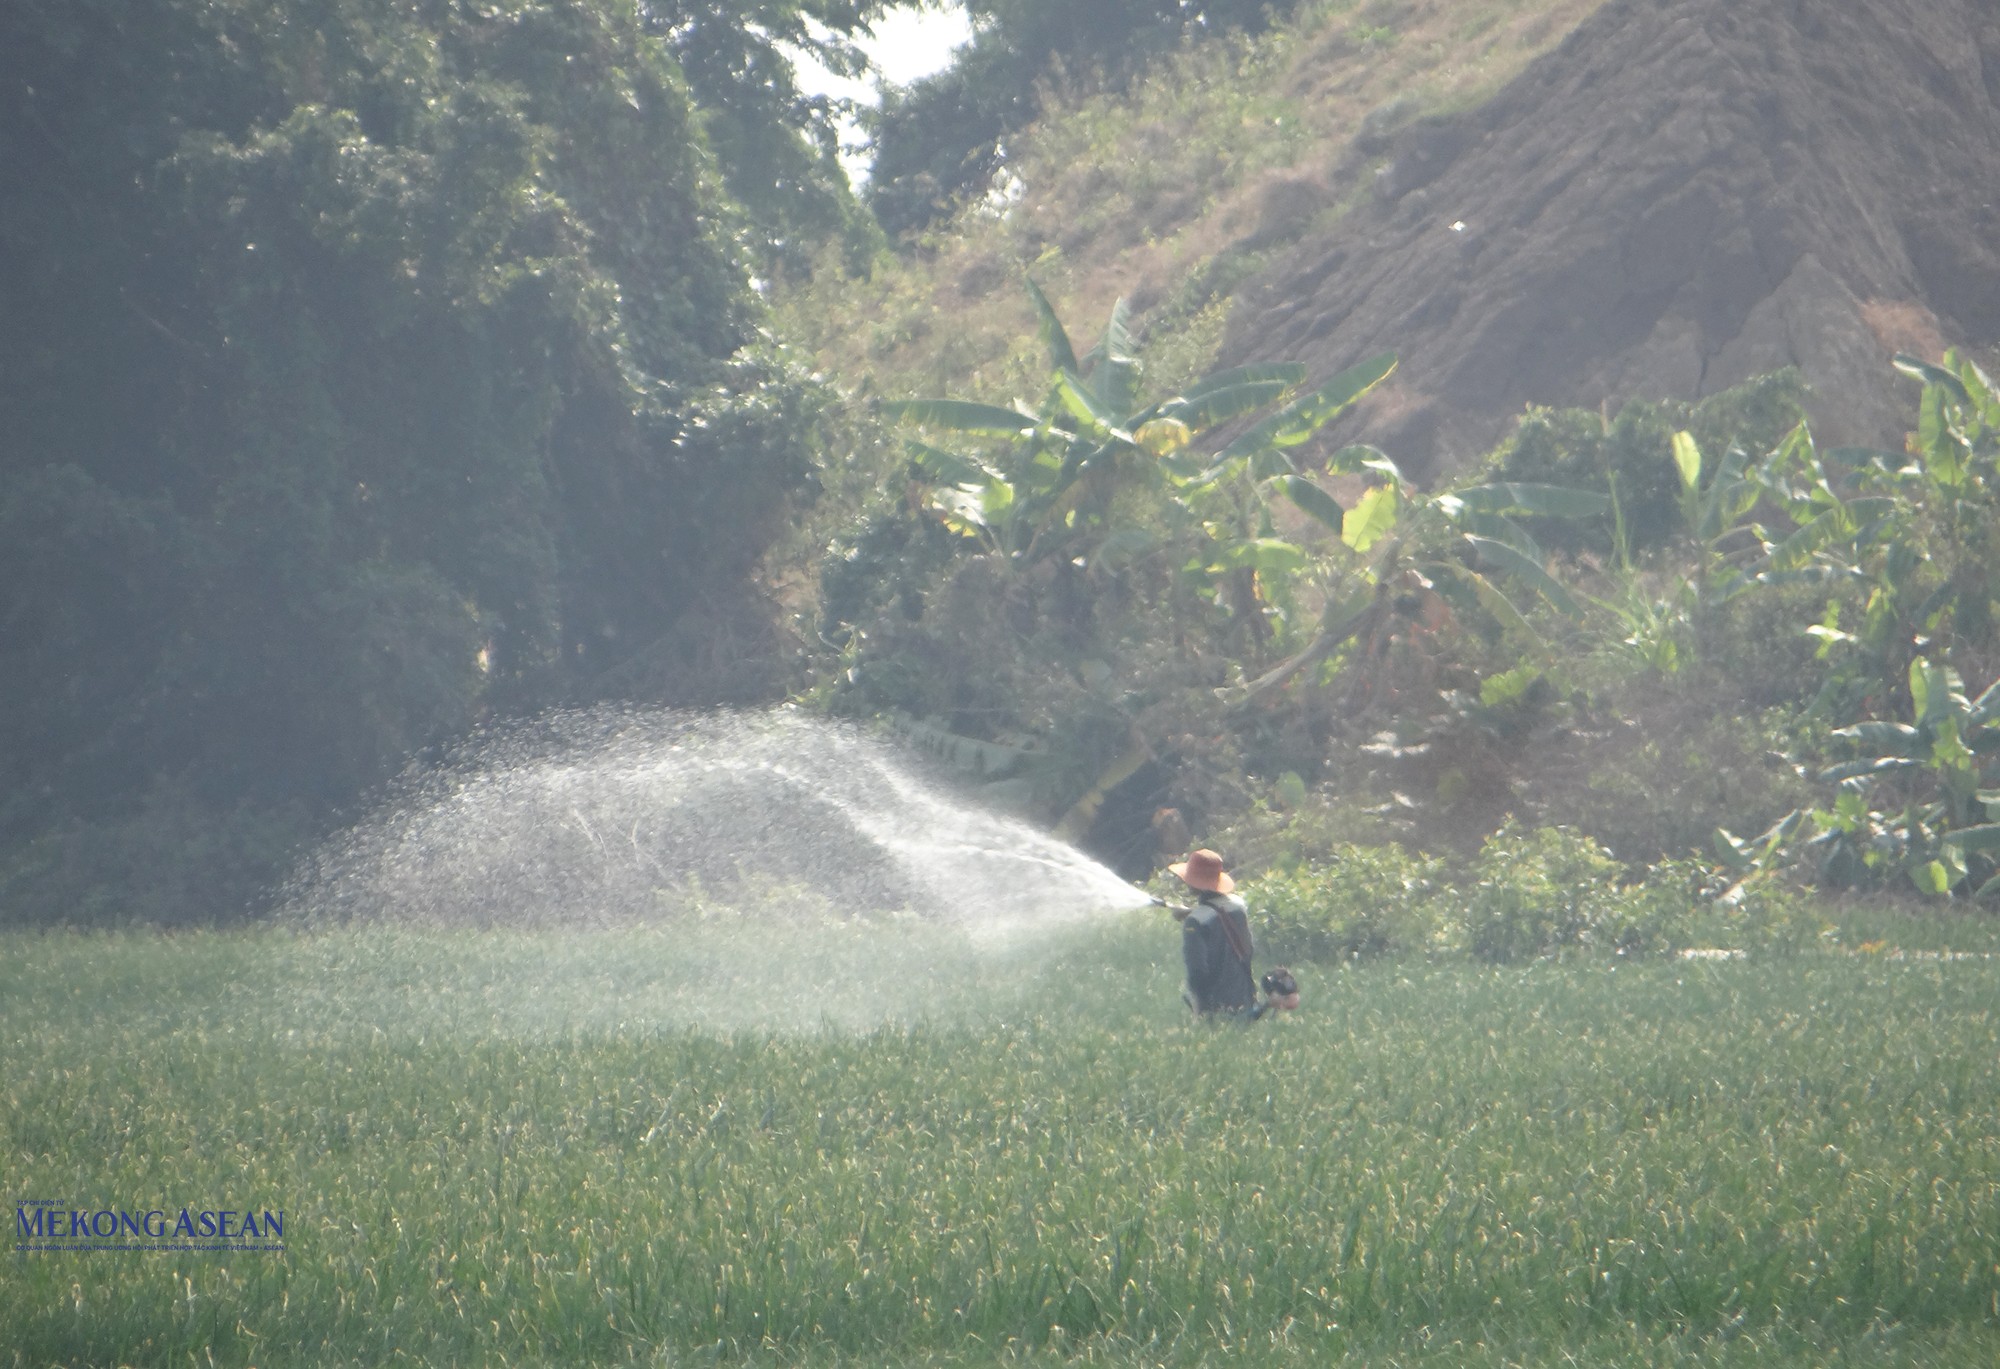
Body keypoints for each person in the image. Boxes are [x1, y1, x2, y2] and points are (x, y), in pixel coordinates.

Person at [1167, 848, 1295, 1018]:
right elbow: (1220, 915)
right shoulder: (1238, 905)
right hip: (1245, 997)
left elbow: (1197, 971)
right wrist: (1192, 912)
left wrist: (1199, 1012)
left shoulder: (1195, 922)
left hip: (1216, 1008)